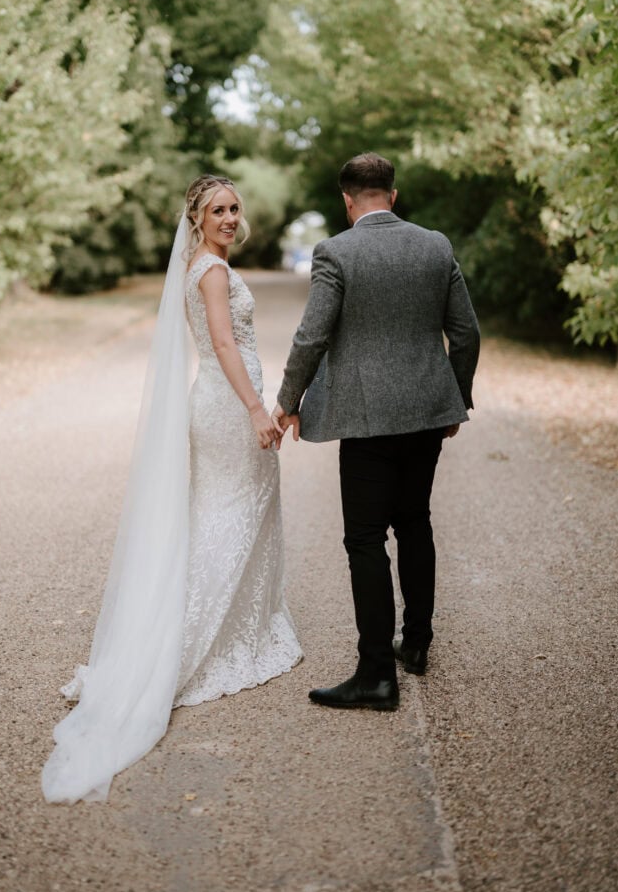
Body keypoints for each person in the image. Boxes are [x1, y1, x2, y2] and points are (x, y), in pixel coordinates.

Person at [42, 175, 302, 803]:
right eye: (218, 209)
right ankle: (186, 647)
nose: (231, 217)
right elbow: (220, 341)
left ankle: (240, 624)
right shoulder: (211, 271)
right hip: (224, 405)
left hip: (217, 401)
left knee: (226, 512)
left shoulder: (200, 264)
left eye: (235, 208)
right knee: (231, 514)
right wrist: (254, 408)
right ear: (197, 218)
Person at [273, 152, 479, 711]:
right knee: (415, 522)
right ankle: (416, 644)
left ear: (347, 199)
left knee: (365, 538)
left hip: (366, 423)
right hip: (426, 415)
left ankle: (375, 674)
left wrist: (288, 401)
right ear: (393, 192)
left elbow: (311, 336)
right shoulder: (435, 245)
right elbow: (465, 333)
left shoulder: (336, 251)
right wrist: (455, 399)